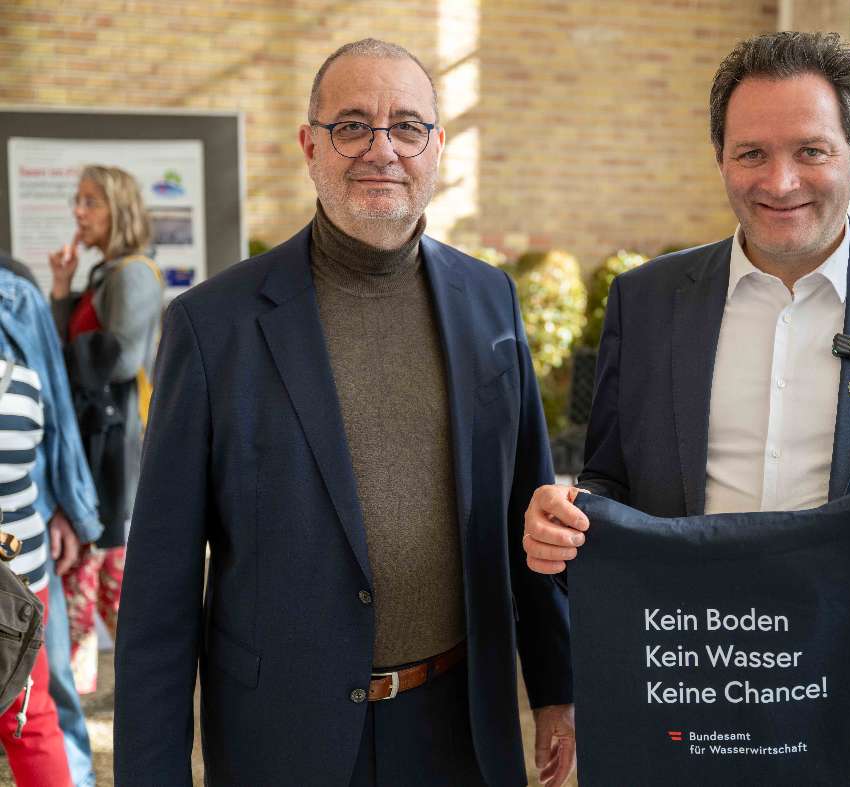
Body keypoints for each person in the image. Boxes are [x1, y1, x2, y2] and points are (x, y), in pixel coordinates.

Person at [522, 31, 850, 783]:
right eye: (751, 153)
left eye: (811, 150)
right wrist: (567, 526)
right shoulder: (646, 301)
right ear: (721, 159)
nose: (780, 182)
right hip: (686, 685)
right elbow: (608, 482)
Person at [114, 38, 575, 786]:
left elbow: (529, 507)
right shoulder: (213, 326)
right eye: (352, 125)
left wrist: (556, 687)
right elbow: (160, 590)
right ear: (310, 145)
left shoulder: (490, 300)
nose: (381, 149)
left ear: (437, 147)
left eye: (407, 127)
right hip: (284, 739)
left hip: (460, 728)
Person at [48, 165, 164, 702]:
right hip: (96, 446)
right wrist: (61, 289)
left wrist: (53, 358)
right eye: (78, 200)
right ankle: (80, 694)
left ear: (118, 209)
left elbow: (118, 359)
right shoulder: (105, 273)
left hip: (114, 453)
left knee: (107, 581)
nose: (79, 211)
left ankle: (131, 693)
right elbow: (68, 348)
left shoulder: (133, 274)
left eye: (91, 201)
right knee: (93, 578)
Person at [0, 265, 102, 786]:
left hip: (19, 572)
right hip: (20, 570)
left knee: (34, 713)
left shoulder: (16, 292)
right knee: (31, 717)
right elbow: (53, 421)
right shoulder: (22, 386)